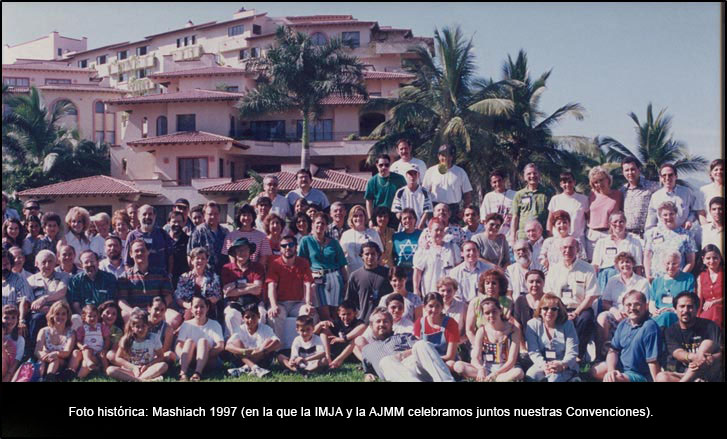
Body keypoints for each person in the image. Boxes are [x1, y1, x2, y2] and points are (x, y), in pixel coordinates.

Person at [361, 307, 454, 382]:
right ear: (371, 326)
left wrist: (402, 355)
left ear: (391, 325)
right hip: (394, 371)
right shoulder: (367, 349)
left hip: (413, 365)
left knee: (421, 344)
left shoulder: (404, 336)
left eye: (385, 321)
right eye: (378, 321)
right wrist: (368, 375)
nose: (382, 324)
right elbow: (368, 370)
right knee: (385, 361)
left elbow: (423, 351)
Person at [543, 237, 599, 360]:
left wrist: (576, 312)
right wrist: (562, 311)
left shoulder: (587, 268)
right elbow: (549, 294)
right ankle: (557, 355)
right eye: (565, 247)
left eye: (571, 247)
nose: (567, 250)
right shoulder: (554, 269)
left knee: (586, 318)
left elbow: (591, 295)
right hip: (559, 307)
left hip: (581, 308)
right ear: (560, 249)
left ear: (577, 249)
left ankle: (578, 355)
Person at [591, 291, 661, 382]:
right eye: (628, 305)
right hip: (621, 367)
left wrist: (656, 379)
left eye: (637, 304)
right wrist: (611, 370)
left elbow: (652, 361)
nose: (632, 308)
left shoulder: (650, 327)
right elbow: (613, 351)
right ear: (623, 307)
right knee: (595, 371)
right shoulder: (623, 324)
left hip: (639, 373)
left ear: (646, 306)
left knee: (613, 379)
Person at [453, 297, 524, 382]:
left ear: (500, 311)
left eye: (494, 311)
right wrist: (480, 369)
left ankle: (491, 379)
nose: (491, 315)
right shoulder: (482, 331)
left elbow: (512, 360)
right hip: (487, 369)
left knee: (518, 372)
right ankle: (490, 379)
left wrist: (496, 373)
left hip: (506, 370)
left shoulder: (513, 330)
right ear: (483, 315)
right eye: (487, 313)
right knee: (458, 366)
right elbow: (475, 358)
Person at [657, 292, 722, 382]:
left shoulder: (710, 326)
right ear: (675, 309)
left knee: (706, 344)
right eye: (682, 306)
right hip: (684, 374)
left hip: (708, 374)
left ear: (697, 309)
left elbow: (721, 351)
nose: (686, 310)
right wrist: (695, 357)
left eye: (690, 307)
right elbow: (677, 352)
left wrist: (712, 358)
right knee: (661, 377)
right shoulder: (671, 331)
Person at [117, 239, 180, 330]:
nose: (140, 253)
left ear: (148, 252)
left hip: (157, 310)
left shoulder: (161, 273)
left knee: (175, 317)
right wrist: (132, 311)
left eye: (142, 250)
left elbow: (168, 296)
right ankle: (134, 338)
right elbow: (121, 301)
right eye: (136, 251)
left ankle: (162, 338)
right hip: (136, 312)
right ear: (131, 254)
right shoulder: (125, 276)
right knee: (125, 314)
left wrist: (158, 309)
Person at [298, 213, 348, 322]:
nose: (320, 225)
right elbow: (301, 264)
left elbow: (341, 264)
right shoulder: (306, 241)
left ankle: (337, 332)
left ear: (326, 226)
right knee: (324, 313)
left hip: (335, 277)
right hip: (317, 278)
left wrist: (345, 282)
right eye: (318, 223)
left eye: (323, 223)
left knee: (336, 313)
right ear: (312, 225)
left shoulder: (334, 243)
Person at [598, 252, 650, 351]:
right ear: (617, 266)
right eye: (622, 262)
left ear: (633, 264)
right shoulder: (612, 281)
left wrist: (630, 313)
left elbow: (645, 304)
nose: (625, 264)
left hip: (635, 315)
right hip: (616, 315)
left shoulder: (642, 282)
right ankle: (604, 351)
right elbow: (605, 302)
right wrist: (614, 311)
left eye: (628, 261)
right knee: (602, 318)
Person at [266, 235, 315, 339]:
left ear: (296, 246)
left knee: (310, 315)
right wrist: (274, 305)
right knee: (273, 316)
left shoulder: (303, 263)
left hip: (298, 303)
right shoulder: (275, 264)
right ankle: (277, 347)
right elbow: (271, 286)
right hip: (280, 303)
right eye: (284, 246)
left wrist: (308, 304)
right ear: (280, 249)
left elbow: (307, 284)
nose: (287, 248)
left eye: (291, 244)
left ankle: (305, 345)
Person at [524, 293, 579, 382]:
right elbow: (533, 351)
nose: (549, 311)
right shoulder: (532, 324)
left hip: (563, 363)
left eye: (554, 309)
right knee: (531, 375)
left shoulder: (568, 324)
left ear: (558, 311)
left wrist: (562, 364)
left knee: (553, 379)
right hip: (542, 363)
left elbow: (572, 351)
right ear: (540, 310)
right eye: (545, 308)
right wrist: (544, 366)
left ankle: (572, 377)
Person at [106, 309, 167, 382]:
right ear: (132, 327)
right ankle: (143, 380)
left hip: (148, 369)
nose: (141, 329)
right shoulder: (126, 339)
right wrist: (133, 368)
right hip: (132, 370)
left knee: (163, 365)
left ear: (148, 325)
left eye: (143, 326)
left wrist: (147, 366)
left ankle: (138, 379)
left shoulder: (154, 338)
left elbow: (161, 357)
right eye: (137, 327)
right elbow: (118, 358)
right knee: (110, 370)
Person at [220, 238, 265, 337]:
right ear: (234, 253)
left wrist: (236, 285)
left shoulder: (257, 267)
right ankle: (235, 342)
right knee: (230, 316)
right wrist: (250, 286)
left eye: (245, 249)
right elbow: (228, 292)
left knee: (261, 314)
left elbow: (258, 289)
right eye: (239, 250)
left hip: (254, 301)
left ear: (249, 252)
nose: (242, 253)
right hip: (234, 302)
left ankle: (258, 342)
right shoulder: (227, 268)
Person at [225, 300, 280, 378]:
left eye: (253, 316)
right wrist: (244, 351)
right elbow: (227, 346)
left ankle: (245, 368)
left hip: (261, 359)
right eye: (247, 317)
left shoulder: (265, 328)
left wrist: (262, 351)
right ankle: (255, 368)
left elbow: (277, 342)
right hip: (244, 357)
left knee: (269, 340)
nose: (250, 320)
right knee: (236, 342)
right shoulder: (240, 329)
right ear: (242, 318)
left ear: (259, 316)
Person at [175, 295, 224, 381]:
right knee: (189, 342)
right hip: (190, 359)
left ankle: (197, 373)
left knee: (203, 341)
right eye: (196, 307)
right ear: (191, 309)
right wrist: (185, 356)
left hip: (209, 360)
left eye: (202, 306)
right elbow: (178, 346)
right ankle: (183, 373)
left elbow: (220, 346)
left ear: (207, 308)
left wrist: (204, 355)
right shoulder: (186, 324)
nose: (199, 310)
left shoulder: (214, 324)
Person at [644, 201, 697, 281]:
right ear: (660, 217)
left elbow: (691, 261)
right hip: (656, 279)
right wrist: (648, 275)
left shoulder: (686, 235)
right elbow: (647, 256)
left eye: (671, 214)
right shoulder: (653, 233)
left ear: (676, 214)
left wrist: (680, 276)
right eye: (665, 215)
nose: (668, 217)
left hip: (677, 280)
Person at [591, 211, 643, 290]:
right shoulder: (602, 242)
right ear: (610, 224)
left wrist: (639, 285)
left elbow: (638, 266)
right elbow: (595, 266)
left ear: (625, 223)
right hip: (607, 277)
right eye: (615, 222)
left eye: (621, 221)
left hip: (628, 277)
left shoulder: (635, 242)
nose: (618, 224)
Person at [26, 250, 69, 344]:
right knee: (36, 318)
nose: (47, 265)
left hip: (59, 312)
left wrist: (44, 299)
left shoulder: (63, 276)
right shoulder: (30, 280)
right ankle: (34, 349)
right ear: (36, 264)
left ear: (55, 263)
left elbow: (61, 292)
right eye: (44, 262)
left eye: (50, 261)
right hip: (39, 312)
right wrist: (39, 308)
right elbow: (29, 301)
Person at [68, 250, 117, 330]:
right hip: (84, 318)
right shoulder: (75, 280)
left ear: (98, 262)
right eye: (86, 262)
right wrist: (86, 318)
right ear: (81, 265)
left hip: (104, 318)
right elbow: (75, 304)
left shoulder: (109, 278)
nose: (89, 264)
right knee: (75, 318)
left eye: (92, 261)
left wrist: (98, 317)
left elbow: (111, 302)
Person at [345, 242, 393, 324]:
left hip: (384, 321)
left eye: (373, 254)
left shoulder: (388, 273)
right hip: (363, 321)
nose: (370, 257)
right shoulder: (355, 276)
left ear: (378, 255)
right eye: (367, 254)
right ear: (361, 256)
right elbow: (350, 302)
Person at [422, 144, 473, 221]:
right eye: (443, 155)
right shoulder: (431, 171)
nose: (445, 158)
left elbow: (467, 194)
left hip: (454, 210)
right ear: (438, 156)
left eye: (449, 155)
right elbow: (424, 192)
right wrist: (427, 211)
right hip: (435, 208)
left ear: (452, 157)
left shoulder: (460, 172)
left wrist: (464, 210)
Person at [646, 163, 703, 231]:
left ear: (676, 176)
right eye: (664, 175)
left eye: (670, 175)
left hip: (684, 232)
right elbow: (651, 219)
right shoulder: (655, 196)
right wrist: (650, 233)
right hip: (663, 234)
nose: (667, 178)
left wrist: (689, 220)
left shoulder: (686, 192)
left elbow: (694, 210)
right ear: (660, 178)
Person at [412, 218, 461, 297]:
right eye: (436, 230)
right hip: (430, 291)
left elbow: (458, 268)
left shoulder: (453, 247)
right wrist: (416, 289)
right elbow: (417, 271)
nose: (439, 232)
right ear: (430, 231)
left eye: (441, 230)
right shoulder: (424, 249)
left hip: (449, 292)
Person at [465, 269, 513, 344]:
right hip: (480, 343)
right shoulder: (475, 302)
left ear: (500, 285)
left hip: (503, 342)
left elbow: (511, 326)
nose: (490, 286)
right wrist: (477, 345)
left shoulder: (506, 302)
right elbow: (469, 330)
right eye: (487, 283)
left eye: (494, 283)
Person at [122, 204, 173, 275]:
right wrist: (131, 276)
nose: (147, 217)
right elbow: (127, 262)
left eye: (150, 214)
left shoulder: (163, 234)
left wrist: (169, 274)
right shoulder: (132, 236)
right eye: (144, 214)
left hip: (160, 278)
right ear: (138, 216)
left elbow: (170, 257)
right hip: (139, 279)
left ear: (154, 216)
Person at [586, 166, 624, 260]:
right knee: (593, 264)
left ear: (608, 179)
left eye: (601, 180)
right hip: (593, 236)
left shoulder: (618, 195)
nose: (599, 184)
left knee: (611, 262)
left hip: (610, 234)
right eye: (595, 182)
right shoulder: (591, 195)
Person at [315, 300, 366, 369]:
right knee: (324, 330)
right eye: (343, 314)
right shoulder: (337, 323)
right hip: (338, 350)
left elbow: (363, 327)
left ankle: (338, 360)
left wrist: (343, 339)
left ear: (355, 313)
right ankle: (328, 358)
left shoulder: (358, 323)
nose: (346, 317)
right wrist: (320, 324)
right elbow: (313, 333)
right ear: (339, 314)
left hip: (352, 352)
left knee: (355, 340)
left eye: (349, 314)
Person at [175, 247, 222, 321]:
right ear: (192, 261)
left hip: (208, 311)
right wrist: (190, 306)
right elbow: (178, 298)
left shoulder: (213, 277)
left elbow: (217, 296)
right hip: (188, 310)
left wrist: (203, 305)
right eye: (197, 258)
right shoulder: (184, 277)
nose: (200, 261)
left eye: (203, 258)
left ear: (206, 261)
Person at [413, 292, 459, 367]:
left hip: (445, 362)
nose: (434, 310)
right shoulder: (419, 323)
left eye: (437, 306)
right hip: (425, 361)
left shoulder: (450, 323)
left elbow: (450, 356)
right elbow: (416, 348)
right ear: (424, 307)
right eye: (430, 306)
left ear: (442, 307)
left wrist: (432, 360)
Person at [34, 300, 75, 381]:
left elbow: (67, 353)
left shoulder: (71, 333)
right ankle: (40, 378)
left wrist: (55, 354)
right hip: (45, 359)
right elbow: (37, 351)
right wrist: (45, 356)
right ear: (52, 315)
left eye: (63, 314)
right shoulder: (44, 331)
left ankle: (49, 377)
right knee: (41, 360)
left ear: (67, 316)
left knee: (55, 359)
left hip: (61, 362)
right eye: (57, 314)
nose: (60, 317)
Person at [510, 163, 552, 241]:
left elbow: (551, 216)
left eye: (535, 173)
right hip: (523, 236)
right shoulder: (519, 194)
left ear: (539, 175)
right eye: (529, 174)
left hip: (542, 236)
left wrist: (550, 236)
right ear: (524, 177)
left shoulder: (548, 193)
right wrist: (513, 237)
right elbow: (515, 217)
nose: (532, 176)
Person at [619, 157, 659, 238]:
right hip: (628, 236)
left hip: (647, 235)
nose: (630, 173)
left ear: (639, 169)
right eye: (626, 170)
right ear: (623, 172)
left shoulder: (653, 186)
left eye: (632, 169)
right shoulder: (622, 190)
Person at [68, 304, 110, 379]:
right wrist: (82, 346)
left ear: (98, 316)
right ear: (84, 317)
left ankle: (104, 371)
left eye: (95, 316)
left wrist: (105, 349)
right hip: (86, 353)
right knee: (81, 352)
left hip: (98, 354)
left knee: (100, 357)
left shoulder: (101, 327)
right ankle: (74, 373)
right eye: (90, 316)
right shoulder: (82, 329)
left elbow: (107, 339)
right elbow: (78, 341)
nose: (92, 318)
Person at [224, 204, 272, 269]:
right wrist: (237, 270)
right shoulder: (230, 236)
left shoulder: (262, 236)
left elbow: (264, 257)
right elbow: (230, 256)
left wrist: (256, 270)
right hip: (236, 271)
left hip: (255, 271)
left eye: (249, 215)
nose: (246, 218)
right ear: (239, 217)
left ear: (253, 217)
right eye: (244, 215)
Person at [547, 171, 589, 246]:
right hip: (558, 239)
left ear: (574, 182)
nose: (567, 184)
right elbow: (550, 220)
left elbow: (588, 218)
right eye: (564, 182)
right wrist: (550, 236)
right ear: (560, 184)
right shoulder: (555, 199)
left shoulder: (584, 199)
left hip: (578, 239)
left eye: (570, 182)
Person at [339, 205, 384, 273]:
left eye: (361, 215)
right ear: (351, 218)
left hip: (370, 272)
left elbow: (380, 254)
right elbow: (340, 256)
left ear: (365, 217)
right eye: (355, 216)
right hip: (351, 273)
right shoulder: (346, 235)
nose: (358, 218)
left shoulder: (373, 233)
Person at [188, 202, 228, 274]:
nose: (213, 216)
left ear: (219, 214)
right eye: (210, 214)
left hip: (223, 273)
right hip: (204, 274)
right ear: (204, 215)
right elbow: (191, 255)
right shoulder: (197, 231)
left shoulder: (225, 232)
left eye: (216, 214)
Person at [365, 154, 407, 225]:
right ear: (377, 165)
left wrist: (404, 215)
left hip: (395, 216)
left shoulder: (399, 179)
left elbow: (406, 197)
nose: (384, 167)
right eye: (381, 165)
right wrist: (370, 219)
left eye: (386, 165)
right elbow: (369, 201)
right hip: (379, 217)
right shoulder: (372, 181)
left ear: (389, 165)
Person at [391, 163, 433, 230]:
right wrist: (406, 223)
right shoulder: (400, 192)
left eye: (415, 174)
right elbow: (397, 211)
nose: (412, 176)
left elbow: (427, 211)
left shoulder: (425, 192)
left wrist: (420, 225)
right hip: (404, 227)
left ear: (418, 175)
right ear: (406, 175)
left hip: (421, 227)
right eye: (410, 174)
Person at [480, 169, 517, 244]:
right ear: (491, 184)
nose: (497, 184)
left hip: (511, 236)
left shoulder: (515, 195)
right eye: (494, 182)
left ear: (504, 180)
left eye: (500, 180)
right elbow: (484, 219)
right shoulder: (488, 197)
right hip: (493, 237)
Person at [2, 249, 33, 331]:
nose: (3, 268)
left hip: (13, 321)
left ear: (11, 264)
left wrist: (21, 320)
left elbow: (24, 302)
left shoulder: (19, 280)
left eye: (5, 264)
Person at [697, 244, 723, 328]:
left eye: (715, 258)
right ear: (703, 259)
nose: (712, 261)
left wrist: (715, 302)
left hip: (721, 309)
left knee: (715, 311)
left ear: (720, 258)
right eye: (708, 258)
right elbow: (700, 299)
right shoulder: (701, 277)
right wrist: (697, 316)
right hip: (707, 310)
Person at [146, 297, 176, 363]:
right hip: (140, 354)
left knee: (169, 354)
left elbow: (164, 351)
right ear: (149, 309)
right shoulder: (141, 323)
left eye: (162, 310)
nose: (159, 313)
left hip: (157, 358)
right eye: (156, 309)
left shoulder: (167, 329)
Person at [165, 211, 189, 286]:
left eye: (179, 222)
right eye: (174, 221)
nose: (176, 224)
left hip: (183, 280)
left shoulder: (188, 240)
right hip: (165, 280)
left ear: (184, 223)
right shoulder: (162, 239)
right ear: (168, 222)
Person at [2, 304, 24, 382]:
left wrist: (9, 375)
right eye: (6, 318)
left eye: (13, 317)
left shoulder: (19, 339)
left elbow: (17, 360)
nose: (10, 321)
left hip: (8, 368)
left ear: (17, 319)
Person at [699, 159, 724, 225]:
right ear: (711, 173)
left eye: (722, 169)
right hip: (710, 225)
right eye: (716, 169)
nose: (719, 171)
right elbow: (701, 213)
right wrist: (707, 228)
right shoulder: (703, 190)